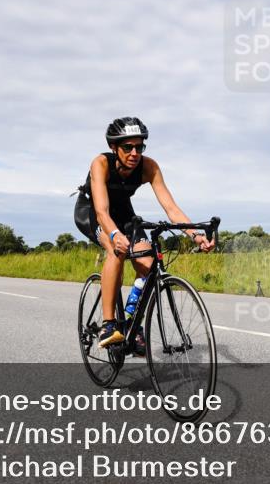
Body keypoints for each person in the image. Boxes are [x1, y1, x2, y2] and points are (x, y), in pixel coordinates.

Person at [75, 117, 214, 352]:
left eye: (139, 147)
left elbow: (171, 208)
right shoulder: (101, 163)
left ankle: (131, 321)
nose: (134, 153)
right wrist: (114, 235)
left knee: (149, 265)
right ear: (113, 147)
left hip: (124, 214)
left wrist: (195, 235)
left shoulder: (149, 167)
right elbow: (102, 211)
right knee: (116, 250)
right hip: (92, 212)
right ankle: (108, 326)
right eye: (128, 147)